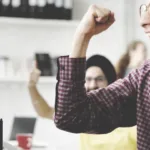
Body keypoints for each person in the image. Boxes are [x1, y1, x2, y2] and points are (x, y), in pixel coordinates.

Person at [54, 4, 150, 150]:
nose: (143, 20)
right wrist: (82, 36)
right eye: (145, 7)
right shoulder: (144, 78)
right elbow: (71, 116)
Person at [28, 55, 136, 150]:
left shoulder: (127, 113)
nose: (92, 85)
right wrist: (31, 86)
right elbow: (45, 112)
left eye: (99, 79)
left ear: (110, 83)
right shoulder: (83, 112)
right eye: (88, 79)